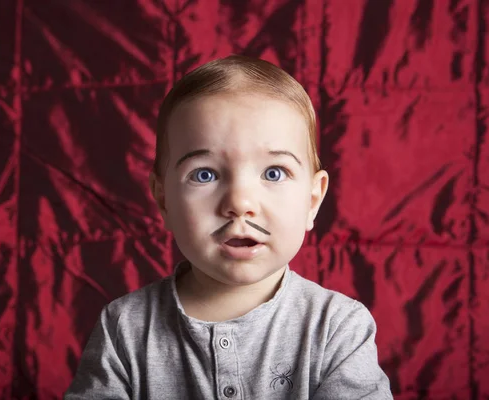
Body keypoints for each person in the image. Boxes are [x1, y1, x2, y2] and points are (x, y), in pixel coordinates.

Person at [64, 55, 392, 399]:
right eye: (205, 174)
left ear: (312, 200)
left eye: (273, 173)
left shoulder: (338, 328)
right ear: (164, 201)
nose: (239, 202)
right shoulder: (124, 329)